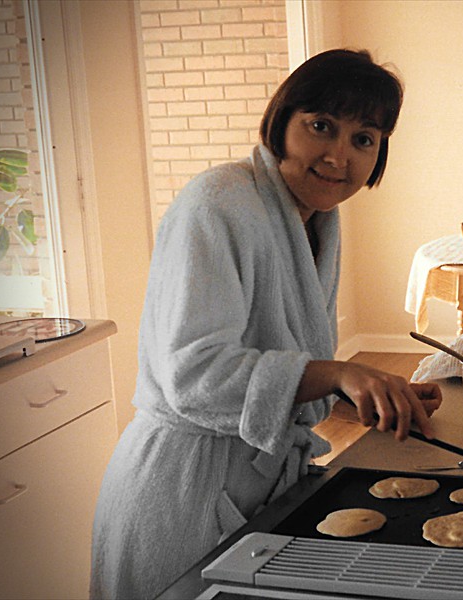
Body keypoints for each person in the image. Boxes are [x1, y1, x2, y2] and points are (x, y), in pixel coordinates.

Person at [90, 48, 442, 599]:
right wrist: (336, 373)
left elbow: (278, 356)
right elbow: (193, 374)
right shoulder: (217, 203)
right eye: (321, 126)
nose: (338, 156)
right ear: (281, 121)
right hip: (185, 492)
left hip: (253, 485)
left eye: (363, 138)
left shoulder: (317, 220)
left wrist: (363, 393)